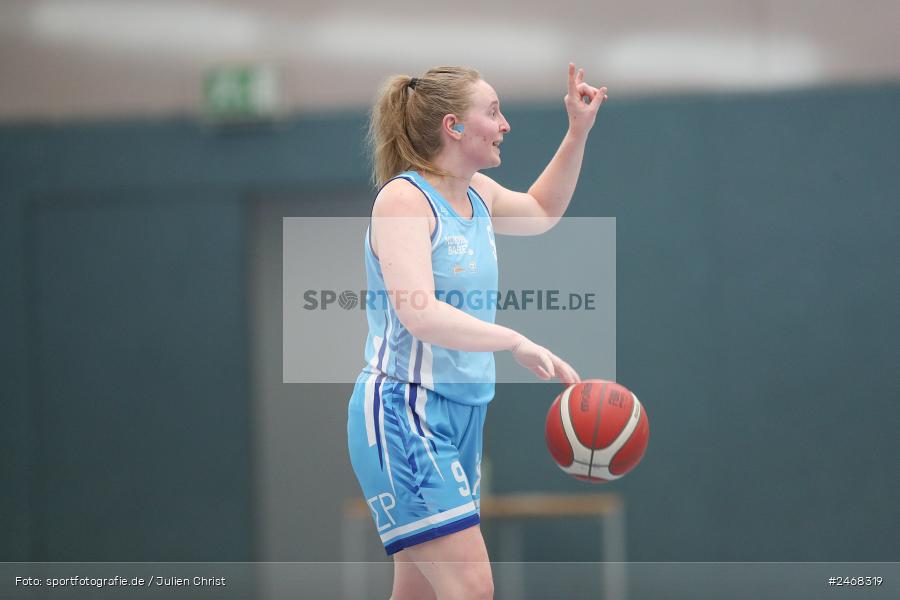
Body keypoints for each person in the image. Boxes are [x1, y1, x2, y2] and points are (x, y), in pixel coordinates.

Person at [347, 63, 607, 600]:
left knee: (419, 594)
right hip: (406, 412)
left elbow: (540, 210)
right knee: (471, 588)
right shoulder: (404, 200)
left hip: (463, 413)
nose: (505, 123)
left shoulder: (478, 193)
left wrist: (577, 133)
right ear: (453, 126)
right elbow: (419, 313)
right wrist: (513, 340)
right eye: (492, 111)